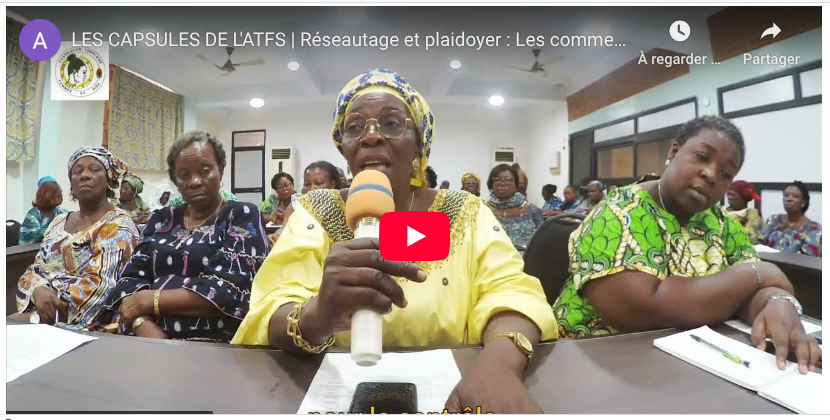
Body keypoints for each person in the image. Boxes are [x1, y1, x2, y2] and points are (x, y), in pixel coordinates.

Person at [232, 69, 556, 414]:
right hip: (331, 395)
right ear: (343, 148)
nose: (371, 136)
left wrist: (498, 368)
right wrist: (319, 313)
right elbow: (270, 309)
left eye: (391, 123)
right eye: (354, 127)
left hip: (454, 394)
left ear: (419, 142)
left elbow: (511, 292)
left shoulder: (465, 211)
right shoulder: (317, 210)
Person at [553, 116, 820, 373]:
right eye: (702, 157)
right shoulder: (619, 210)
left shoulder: (719, 221)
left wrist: (777, 302)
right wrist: (755, 273)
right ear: (674, 152)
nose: (711, 174)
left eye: (726, 173)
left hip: (684, 363)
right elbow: (639, 310)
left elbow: (749, 294)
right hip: (589, 362)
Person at [99, 131, 270, 342]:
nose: (195, 181)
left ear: (221, 170)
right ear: (175, 180)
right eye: (184, 174)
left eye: (205, 170)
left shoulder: (241, 215)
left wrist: (149, 300)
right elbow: (129, 280)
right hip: (146, 341)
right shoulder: (162, 219)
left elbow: (230, 291)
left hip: (217, 344)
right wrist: (141, 323)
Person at [12, 147, 139, 328]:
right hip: (40, 312)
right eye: (77, 171)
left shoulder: (118, 225)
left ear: (109, 180)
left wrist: (40, 315)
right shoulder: (59, 221)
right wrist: (37, 289)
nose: (84, 175)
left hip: (90, 327)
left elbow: (101, 289)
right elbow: (35, 269)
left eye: (94, 170)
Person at [269, 161, 343, 245]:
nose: (312, 188)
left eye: (318, 183)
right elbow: (284, 228)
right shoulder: (297, 202)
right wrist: (275, 236)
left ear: (333, 185)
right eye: (307, 184)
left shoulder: (342, 203)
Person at [486, 164, 545, 249]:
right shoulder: (483, 211)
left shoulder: (532, 211)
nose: (502, 184)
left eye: (508, 179)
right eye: (497, 180)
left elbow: (544, 242)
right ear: (491, 185)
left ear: (516, 184)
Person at [759, 181, 821, 257]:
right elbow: (760, 245)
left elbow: (811, 259)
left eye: (795, 196)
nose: (789, 199)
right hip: (767, 263)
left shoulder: (814, 230)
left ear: (803, 202)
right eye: (786, 195)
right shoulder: (773, 220)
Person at [19, 176, 68, 244]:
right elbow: (34, 237)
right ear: (43, 195)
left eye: (58, 192)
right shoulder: (34, 214)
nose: (56, 196)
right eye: (53, 193)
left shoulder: (62, 212)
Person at [725, 180, 763, 244]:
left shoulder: (752, 214)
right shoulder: (721, 210)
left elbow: (751, 237)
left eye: (732, 195)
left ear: (743, 197)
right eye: (728, 194)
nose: (729, 197)